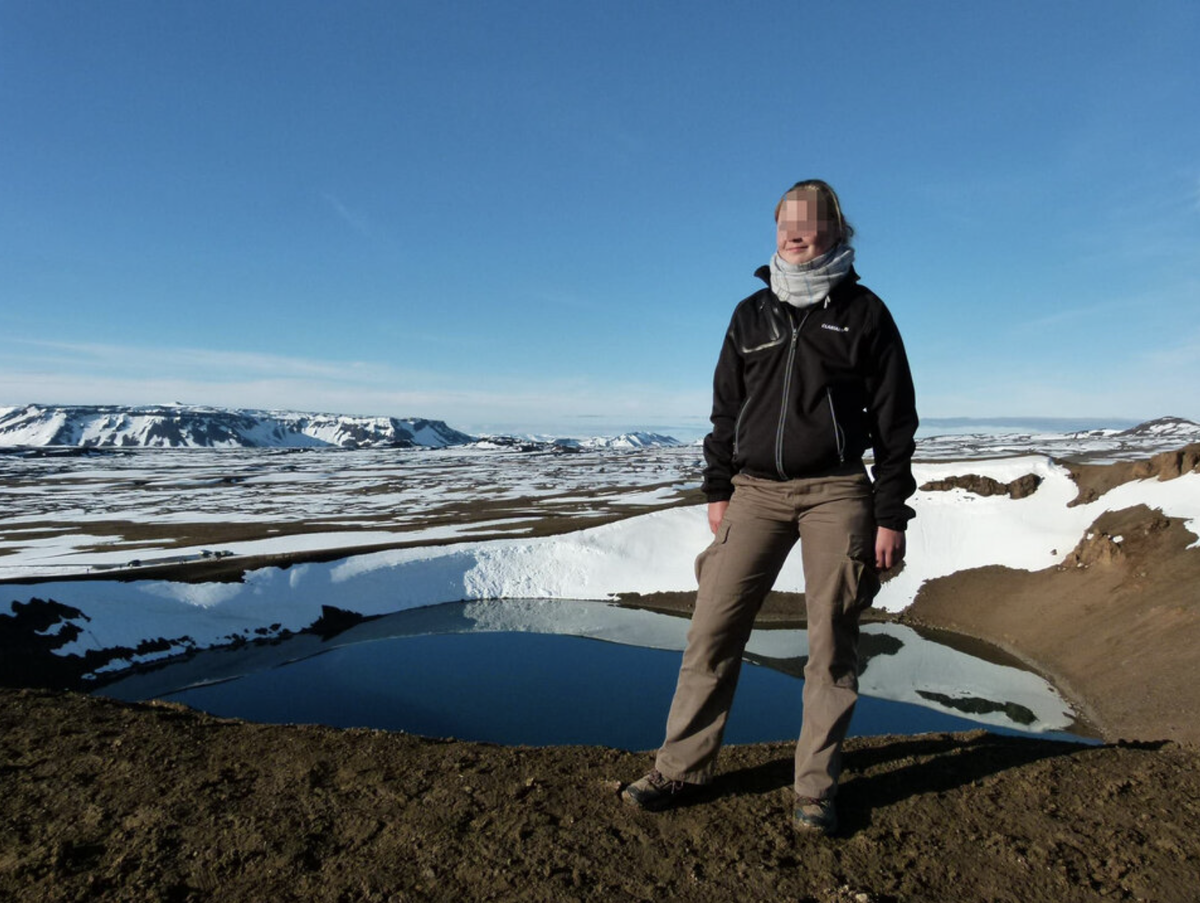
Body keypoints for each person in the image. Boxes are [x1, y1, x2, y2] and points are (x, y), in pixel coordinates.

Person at [621, 179, 918, 835]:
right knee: (711, 627)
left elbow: (897, 424)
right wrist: (719, 488)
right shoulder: (750, 315)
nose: (796, 231)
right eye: (786, 221)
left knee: (831, 642)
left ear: (837, 231)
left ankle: (814, 789)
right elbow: (725, 411)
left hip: (837, 489)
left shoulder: (865, 313)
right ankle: (680, 766)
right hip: (754, 489)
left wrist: (891, 512)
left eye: (810, 221)